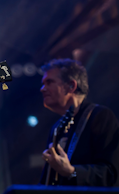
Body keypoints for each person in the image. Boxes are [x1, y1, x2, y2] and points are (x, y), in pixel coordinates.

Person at [39, 58, 119, 186]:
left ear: (71, 86)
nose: (42, 89)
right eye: (43, 83)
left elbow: (110, 174)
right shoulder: (56, 128)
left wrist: (72, 172)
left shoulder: (100, 116)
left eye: (49, 82)